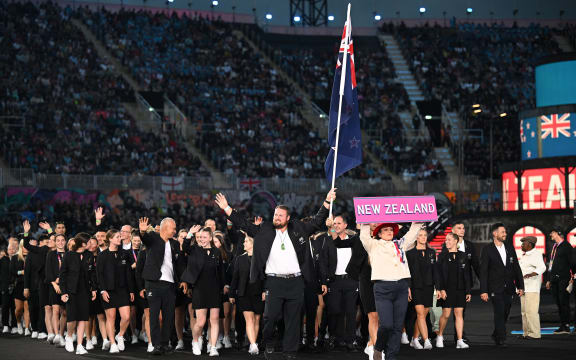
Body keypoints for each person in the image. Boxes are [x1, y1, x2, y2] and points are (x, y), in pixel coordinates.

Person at [214, 189, 335, 360]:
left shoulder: (298, 228)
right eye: (275, 214)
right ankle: (269, 342)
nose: (276, 217)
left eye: (280, 215)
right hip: (273, 281)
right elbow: (244, 224)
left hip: (295, 281)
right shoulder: (265, 229)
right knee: (270, 317)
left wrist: (327, 201)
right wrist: (227, 208)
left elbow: (316, 222)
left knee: (293, 319)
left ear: (287, 218)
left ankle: (290, 351)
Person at [359, 221, 424, 360]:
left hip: (401, 287)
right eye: (386, 230)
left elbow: (412, 235)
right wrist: (364, 223)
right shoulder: (373, 245)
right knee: (386, 324)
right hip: (382, 288)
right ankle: (378, 347)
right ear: (379, 233)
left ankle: (391, 357)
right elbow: (364, 236)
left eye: (391, 230)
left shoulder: (400, 244)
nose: (389, 232)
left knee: (397, 327)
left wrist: (417, 223)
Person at [138, 217, 186, 355]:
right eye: (174, 228)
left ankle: (165, 344)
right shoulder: (153, 238)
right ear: (165, 227)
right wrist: (142, 231)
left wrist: (183, 280)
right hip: (153, 283)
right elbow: (145, 239)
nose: (175, 231)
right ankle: (156, 345)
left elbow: (179, 263)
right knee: (154, 316)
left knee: (169, 316)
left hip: (170, 284)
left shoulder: (175, 244)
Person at [182, 226, 227, 356]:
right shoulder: (194, 249)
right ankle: (195, 341)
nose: (201, 239)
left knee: (214, 319)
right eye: (200, 237)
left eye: (204, 237)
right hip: (199, 289)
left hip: (214, 289)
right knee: (200, 322)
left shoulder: (216, 252)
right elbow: (185, 247)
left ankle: (212, 347)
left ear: (210, 238)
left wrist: (225, 285)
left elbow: (221, 272)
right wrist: (190, 233)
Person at [480, 223, 524, 347]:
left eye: (505, 232)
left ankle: (496, 333)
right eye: (502, 232)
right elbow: (484, 271)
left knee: (505, 312)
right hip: (495, 288)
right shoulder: (487, 249)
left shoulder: (510, 248)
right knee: (499, 312)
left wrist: (520, 286)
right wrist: (483, 290)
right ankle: (501, 338)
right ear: (495, 233)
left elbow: (516, 267)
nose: (505, 234)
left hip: (509, 287)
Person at [321, 215, 359, 352]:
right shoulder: (329, 240)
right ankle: (333, 338)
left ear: (345, 225)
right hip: (334, 281)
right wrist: (324, 280)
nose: (336, 225)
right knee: (334, 311)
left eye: (338, 223)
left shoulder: (353, 241)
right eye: (334, 223)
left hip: (351, 281)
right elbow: (323, 262)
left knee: (350, 312)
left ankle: (350, 341)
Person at [97, 229, 135, 353]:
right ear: (110, 239)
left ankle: (120, 335)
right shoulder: (102, 255)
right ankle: (112, 343)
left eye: (120, 236)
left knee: (126, 317)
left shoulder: (125, 253)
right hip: (108, 290)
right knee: (111, 317)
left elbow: (128, 272)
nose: (120, 238)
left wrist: (131, 290)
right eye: (117, 237)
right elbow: (99, 274)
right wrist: (102, 291)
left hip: (123, 289)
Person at [59, 235, 97, 354]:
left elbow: (92, 274)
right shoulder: (68, 255)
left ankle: (80, 344)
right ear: (82, 243)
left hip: (85, 291)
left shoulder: (89, 255)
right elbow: (63, 275)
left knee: (83, 318)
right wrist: (63, 292)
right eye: (89, 242)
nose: (91, 244)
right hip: (71, 291)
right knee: (72, 318)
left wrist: (94, 289)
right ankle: (69, 338)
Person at [443, 221, 479, 342]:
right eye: (459, 228)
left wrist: (483, 284)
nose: (462, 230)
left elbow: (476, 265)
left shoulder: (470, 245)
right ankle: (439, 334)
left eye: (463, 228)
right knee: (446, 313)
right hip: (448, 285)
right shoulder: (446, 246)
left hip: (463, 284)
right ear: (453, 231)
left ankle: (459, 336)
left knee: (460, 311)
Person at [230, 233, 265, 355]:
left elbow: (266, 277)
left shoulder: (261, 259)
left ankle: (252, 343)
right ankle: (254, 344)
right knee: (249, 319)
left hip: (259, 293)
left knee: (256, 319)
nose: (244, 243)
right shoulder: (239, 258)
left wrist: (265, 291)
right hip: (243, 293)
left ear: (253, 244)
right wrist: (231, 294)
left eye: (246, 241)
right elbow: (235, 277)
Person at [435, 233, 471, 349]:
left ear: (456, 241)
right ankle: (440, 336)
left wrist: (468, 291)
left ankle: (459, 340)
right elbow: (438, 274)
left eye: (449, 240)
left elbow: (467, 275)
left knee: (459, 314)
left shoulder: (463, 256)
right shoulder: (442, 256)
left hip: (460, 289)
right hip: (447, 289)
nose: (447, 242)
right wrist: (441, 289)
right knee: (446, 314)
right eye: (446, 240)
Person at [22, 222, 55, 342]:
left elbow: (56, 238)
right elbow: (26, 244)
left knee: (54, 308)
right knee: (42, 307)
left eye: (50, 241)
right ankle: (40, 330)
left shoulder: (55, 251)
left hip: (54, 283)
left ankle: (51, 331)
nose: (49, 243)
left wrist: (50, 229)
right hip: (41, 283)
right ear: (41, 244)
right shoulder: (39, 251)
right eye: (46, 242)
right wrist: (26, 232)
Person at [405, 228, 436, 350]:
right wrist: (408, 287)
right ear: (416, 238)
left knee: (422, 314)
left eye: (425, 235)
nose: (423, 237)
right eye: (420, 235)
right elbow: (407, 272)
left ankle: (414, 338)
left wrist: (438, 287)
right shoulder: (410, 253)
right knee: (420, 313)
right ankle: (426, 340)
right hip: (416, 287)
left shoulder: (431, 252)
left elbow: (435, 271)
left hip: (428, 287)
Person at [545, 228, 573, 334]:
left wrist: (573, 276)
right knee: (558, 302)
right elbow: (551, 264)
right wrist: (548, 279)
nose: (550, 234)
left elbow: (572, 262)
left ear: (558, 234)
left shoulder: (566, 246)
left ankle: (566, 325)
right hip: (555, 279)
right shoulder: (555, 247)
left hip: (564, 278)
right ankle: (563, 324)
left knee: (563, 302)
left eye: (552, 233)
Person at [518, 236, 546, 339]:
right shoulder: (525, 255)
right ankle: (526, 333)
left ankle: (534, 333)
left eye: (523, 243)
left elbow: (542, 267)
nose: (521, 245)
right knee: (524, 312)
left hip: (532, 288)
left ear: (530, 244)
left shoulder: (536, 254)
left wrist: (532, 274)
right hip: (524, 287)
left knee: (531, 312)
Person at [45, 233, 68, 347]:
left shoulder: (69, 254)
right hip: (54, 286)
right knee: (55, 309)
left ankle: (61, 333)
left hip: (66, 286)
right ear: (55, 242)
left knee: (65, 312)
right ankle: (56, 334)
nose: (60, 242)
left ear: (65, 241)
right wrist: (54, 284)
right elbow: (48, 272)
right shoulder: (51, 254)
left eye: (62, 240)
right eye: (58, 240)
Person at [10, 240, 28, 335]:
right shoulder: (15, 257)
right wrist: (21, 272)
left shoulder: (31, 257)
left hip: (29, 285)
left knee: (27, 307)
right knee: (18, 309)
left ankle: (27, 326)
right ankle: (18, 322)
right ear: (21, 246)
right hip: (19, 285)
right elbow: (12, 271)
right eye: (24, 246)